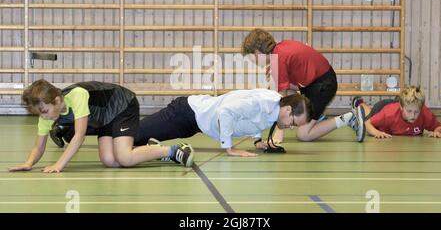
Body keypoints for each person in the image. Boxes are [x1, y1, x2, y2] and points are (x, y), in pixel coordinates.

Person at [8, 80, 194, 173]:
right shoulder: (48, 114)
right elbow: (38, 146)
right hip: (105, 118)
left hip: (122, 105)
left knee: (125, 157)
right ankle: (150, 150)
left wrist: (58, 165)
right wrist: (28, 163)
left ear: (57, 100)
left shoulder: (77, 95)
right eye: (40, 112)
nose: (43, 116)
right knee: (110, 161)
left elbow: (79, 135)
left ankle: (174, 150)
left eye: (45, 111)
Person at [241, 28, 366, 143]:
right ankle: (317, 115)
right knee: (276, 89)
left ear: (257, 53)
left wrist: (279, 131)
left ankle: (349, 117)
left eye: (252, 59)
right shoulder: (281, 49)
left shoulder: (277, 59)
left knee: (303, 134)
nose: (254, 62)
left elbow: (281, 99)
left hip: (323, 85)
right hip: (317, 83)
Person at [135, 89, 313, 157]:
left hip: (194, 123)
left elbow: (254, 119)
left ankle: (151, 147)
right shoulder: (261, 103)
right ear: (288, 110)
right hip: (185, 113)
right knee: (133, 136)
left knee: (138, 140)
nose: (290, 127)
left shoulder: (275, 108)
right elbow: (225, 112)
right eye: (293, 123)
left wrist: (257, 140)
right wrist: (229, 148)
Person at [352, 86, 441, 139]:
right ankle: (360, 103)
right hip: (382, 108)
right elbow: (367, 124)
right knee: (368, 115)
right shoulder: (388, 115)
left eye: (416, 112)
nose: (413, 115)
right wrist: (377, 133)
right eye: (409, 111)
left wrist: (436, 132)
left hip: (397, 106)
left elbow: (438, 126)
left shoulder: (424, 113)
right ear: (402, 107)